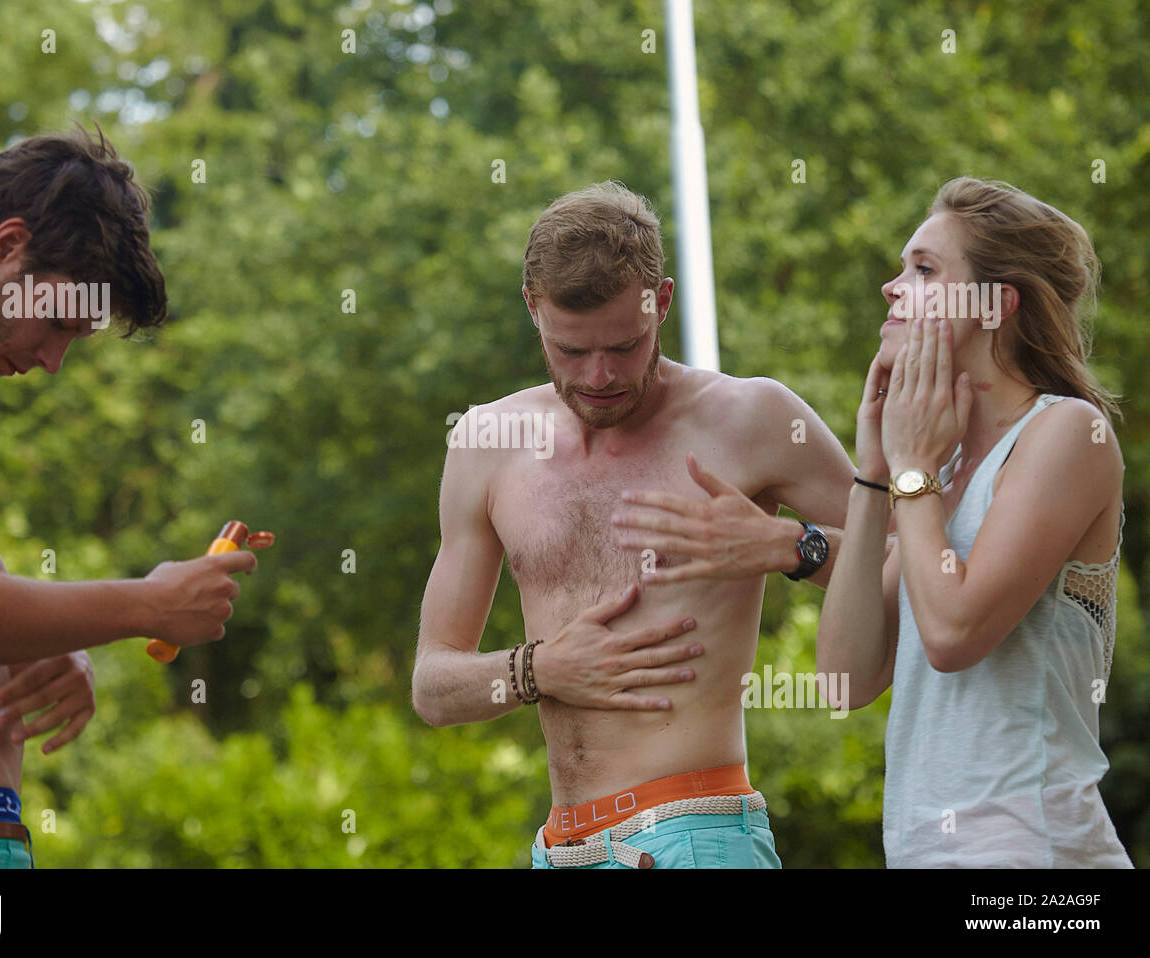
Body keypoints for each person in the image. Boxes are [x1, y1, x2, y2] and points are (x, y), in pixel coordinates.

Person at [412, 182, 856, 869]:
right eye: (570, 350)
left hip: (699, 833)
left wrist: (793, 546)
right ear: (533, 309)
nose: (599, 376)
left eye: (624, 345)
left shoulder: (755, 419)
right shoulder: (486, 440)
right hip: (559, 850)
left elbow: (917, 561)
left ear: (663, 302)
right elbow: (433, 689)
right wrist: (539, 669)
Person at [0, 126, 258, 869]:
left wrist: (55, 643)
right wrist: (146, 605)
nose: (52, 360)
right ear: (6, 246)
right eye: (59, 323)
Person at [817, 177, 1132, 867]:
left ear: (995, 304)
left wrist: (910, 471)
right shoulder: (940, 469)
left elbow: (954, 634)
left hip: (1033, 854)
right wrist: (874, 475)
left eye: (924, 269)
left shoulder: (1067, 433)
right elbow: (844, 682)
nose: (892, 288)